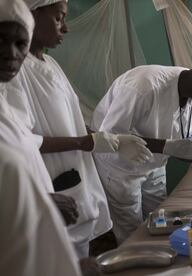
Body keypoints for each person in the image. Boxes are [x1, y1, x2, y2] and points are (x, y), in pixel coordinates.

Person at [3, 0, 152, 258]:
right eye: (59, 17)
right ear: (32, 14)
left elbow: (70, 120)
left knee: (77, 255)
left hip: (75, 185)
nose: (65, 28)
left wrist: (110, 139)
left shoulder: (50, 65)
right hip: (49, 188)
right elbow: (25, 141)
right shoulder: (15, 71)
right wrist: (87, 142)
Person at [91, 56, 192, 243]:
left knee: (162, 220)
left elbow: (184, 145)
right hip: (121, 169)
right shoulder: (144, 87)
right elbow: (109, 138)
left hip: (155, 164)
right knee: (131, 231)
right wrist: (168, 147)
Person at [0, 1, 95, 275]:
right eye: (1, 39)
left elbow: (24, 147)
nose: (12, 53)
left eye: (21, 43)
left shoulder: (6, 104)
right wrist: (40, 200)